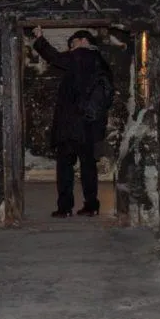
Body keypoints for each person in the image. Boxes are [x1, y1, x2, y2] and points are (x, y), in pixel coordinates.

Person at [30, 26, 114, 218]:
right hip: (90, 126)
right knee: (88, 167)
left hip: (73, 126)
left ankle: (65, 207)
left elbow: (55, 58)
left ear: (84, 42)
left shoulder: (83, 55)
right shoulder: (101, 62)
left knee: (65, 167)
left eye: (73, 44)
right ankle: (91, 205)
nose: (70, 49)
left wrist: (40, 39)